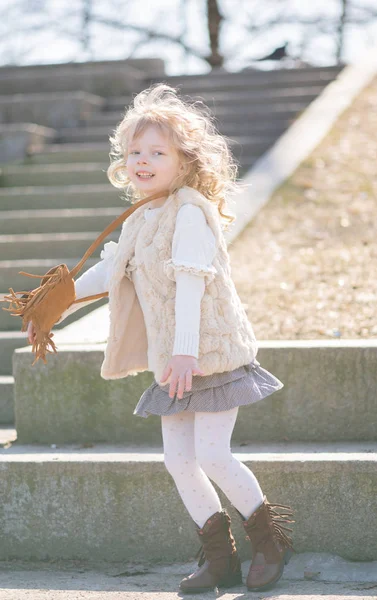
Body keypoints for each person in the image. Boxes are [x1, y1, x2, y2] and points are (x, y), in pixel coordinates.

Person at [27, 83, 295, 593]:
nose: (143, 161)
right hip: (173, 361)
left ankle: (269, 542)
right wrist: (51, 308)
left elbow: (192, 281)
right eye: (134, 153)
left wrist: (186, 352)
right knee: (177, 460)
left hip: (208, 355)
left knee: (214, 455)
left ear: (185, 161)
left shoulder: (190, 211)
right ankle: (221, 559)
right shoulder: (141, 218)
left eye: (157, 152)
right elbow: (111, 274)